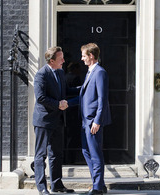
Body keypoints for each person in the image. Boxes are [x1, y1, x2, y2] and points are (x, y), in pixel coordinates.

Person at [70, 43, 112, 195]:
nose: (81, 59)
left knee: (95, 153)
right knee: (86, 151)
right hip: (85, 121)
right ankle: (99, 183)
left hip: (92, 121)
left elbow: (102, 99)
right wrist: (66, 103)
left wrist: (97, 120)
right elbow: (82, 96)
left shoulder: (100, 72)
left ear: (91, 56)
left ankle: (97, 189)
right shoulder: (89, 72)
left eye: (83, 56)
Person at [33, 46, 75, 195]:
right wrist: (58, 104)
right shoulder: (41, 75)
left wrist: (85, 88)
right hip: (44, 120)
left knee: (56, 154)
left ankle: (57, 185)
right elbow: (40, 97)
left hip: (57, 120)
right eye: (61, 58)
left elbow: (66, 91)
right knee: (40, 155)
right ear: (52, 61)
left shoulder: (60, 72)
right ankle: (41, 187)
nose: (64, 60)